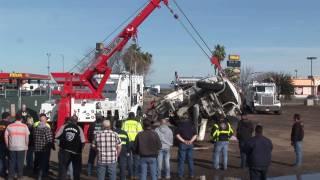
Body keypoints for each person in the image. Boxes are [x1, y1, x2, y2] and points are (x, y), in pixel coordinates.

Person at [55, 115, 85, 180]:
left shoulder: (64, 127)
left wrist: (60, 145)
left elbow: (56, 137)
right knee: (76, 169)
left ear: (70, 120)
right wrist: (80, 150)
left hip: (64, 151)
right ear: (77, 121)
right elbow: (83, 141)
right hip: (76, 152)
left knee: (63, 168)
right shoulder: (79, 128)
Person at [5, 114, 30, 180]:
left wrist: (7, 145)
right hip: (21, 147)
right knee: (20, 162)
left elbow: (5, 136)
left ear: (15, 119)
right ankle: (19, 177)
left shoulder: (9, 126)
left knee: (12, 162)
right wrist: (26, 145)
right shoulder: (25, 126)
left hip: (12, 147)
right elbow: (27, 137)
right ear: (21, 119)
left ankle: (10, 177)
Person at [176, 113, 197, 179]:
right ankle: (192, 174)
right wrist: (191, 141)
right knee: (190, 160)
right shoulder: (192, 124)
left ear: (183, 118)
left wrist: (184, 141)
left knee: (181, 160)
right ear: (188, 118)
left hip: (183, 144)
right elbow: (195, 135)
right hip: (190, 144)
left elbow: (177, 135)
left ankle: (180, 175)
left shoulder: (180, 124)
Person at [122, 112, 143, 179]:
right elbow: (140, 133)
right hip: (135, 142)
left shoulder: (125, 123)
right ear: (134, 116)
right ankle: (136, 175)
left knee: (128, 159)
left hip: (127, 142)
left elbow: (123, 131)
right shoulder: (137, 123)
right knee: (136, 158)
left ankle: (130, 174)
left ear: (128, 116)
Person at [33, 113, 53, 179]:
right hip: (44, 149)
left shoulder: (35, 128)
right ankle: (41, 176)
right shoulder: (47, 129)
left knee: (38, 162)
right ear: (45, 120)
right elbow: (50, 140)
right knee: (43, 163)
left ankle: (36, 173)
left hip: (37, 148)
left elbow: (34, 137)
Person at [0, 112, 11, 177]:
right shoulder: (9, 124)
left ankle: (1, 172)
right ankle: (7, 171)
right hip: (8, 143)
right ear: (7, 117)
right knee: (8, 158)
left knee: (1, 158)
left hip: (0, 143)